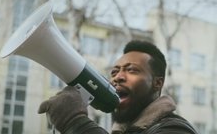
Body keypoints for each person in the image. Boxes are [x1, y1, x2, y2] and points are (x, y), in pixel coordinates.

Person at [38, 40, 198, 134]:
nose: (118, 77)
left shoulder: (175, 129)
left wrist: (75, 122)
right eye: (114, 72)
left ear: (158, 83)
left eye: (132, 70)